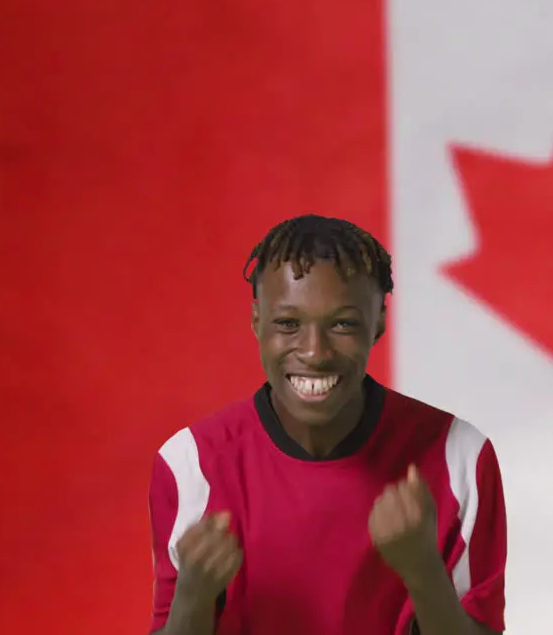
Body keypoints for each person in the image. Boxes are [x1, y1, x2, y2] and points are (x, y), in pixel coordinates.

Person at [147, 214, 506, 635]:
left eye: (343, 324)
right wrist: (193, 596)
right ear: (256, 321)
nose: (315, 352)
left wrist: (423, 571)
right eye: (288, 324)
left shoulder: (458, 455)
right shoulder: (190, 464)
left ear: (379, 323)